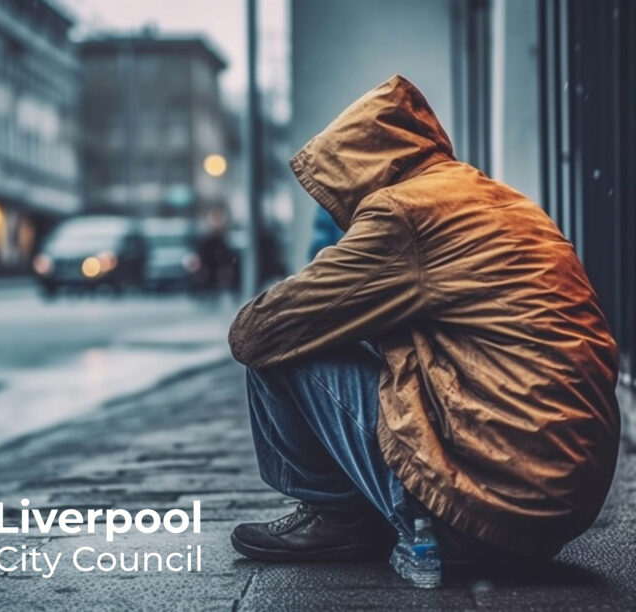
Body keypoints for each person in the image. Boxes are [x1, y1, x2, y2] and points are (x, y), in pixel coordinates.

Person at [227, 76, 620, 579]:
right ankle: (373, 513)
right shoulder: (495, 199)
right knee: (374, 338)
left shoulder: (401, 212)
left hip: (478, 512)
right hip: (552, 510)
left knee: (280, 343)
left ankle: (339, 519)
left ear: (358, 169)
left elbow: (256, 331)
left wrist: (348, 303)